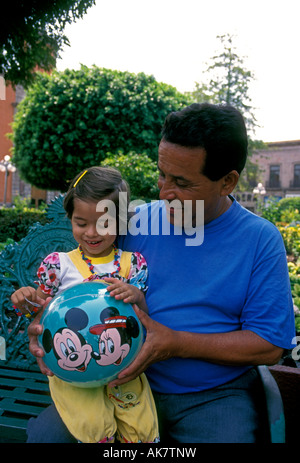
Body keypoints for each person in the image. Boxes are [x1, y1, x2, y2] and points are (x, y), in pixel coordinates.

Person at [27, 103, 295, 443]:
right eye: (162, 174)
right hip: (112, 387)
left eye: (181, 182)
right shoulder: (135, 222)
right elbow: (77, 280)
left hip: (210, 395)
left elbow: (268, 345)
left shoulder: (259, 239)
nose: (163, 192)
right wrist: (44, 324)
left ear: (227, 182)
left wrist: (174, 343)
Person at [11, 166, 159, 443]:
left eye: (104, 224)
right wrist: (26, 299)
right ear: (70, 218)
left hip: (123, 368)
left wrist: (136, 296)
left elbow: (143, 322)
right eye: (81, 223)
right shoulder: (58, 265)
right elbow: (40, 313)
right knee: (92, 428)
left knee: (140, 429)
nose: (92, 233)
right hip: (73, 370)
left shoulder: (132, 265)